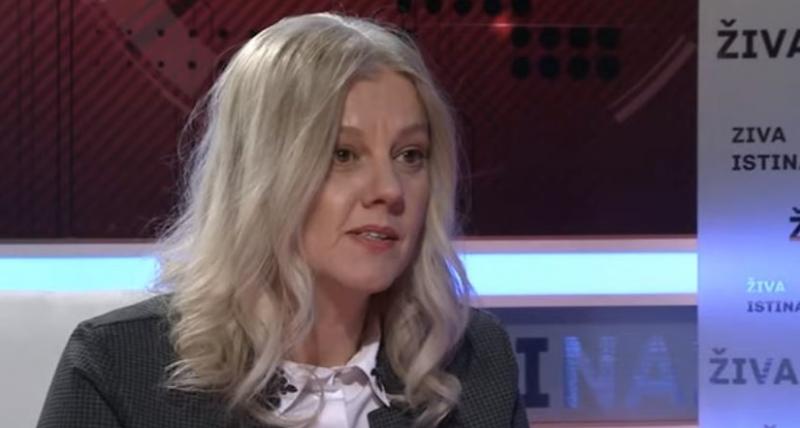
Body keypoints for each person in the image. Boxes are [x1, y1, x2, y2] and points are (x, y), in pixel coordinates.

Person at [37, 12, 528, 428]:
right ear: (260, 172)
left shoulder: (475, 363)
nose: (390, 190)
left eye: (410, 155)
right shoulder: (119, 368)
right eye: (342, 154)